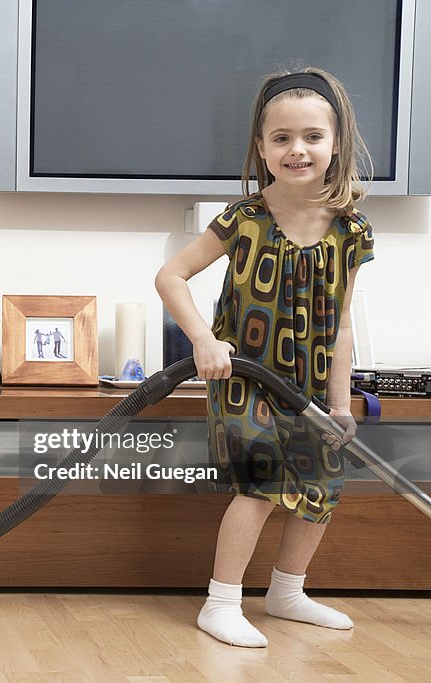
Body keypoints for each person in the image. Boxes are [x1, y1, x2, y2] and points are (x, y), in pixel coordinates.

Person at [154, 67, 375, 648]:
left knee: (322, 484)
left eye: (311, 137)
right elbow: (171, 276)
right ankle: (221, 602)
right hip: (245, 377)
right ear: (262, 147)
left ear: (335, 143)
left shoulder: (351, 231)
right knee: (261, 480)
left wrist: (339, 404)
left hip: (309, 383)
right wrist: (204, 339)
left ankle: (287, 592)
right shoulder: (243, 219)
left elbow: (343, 324)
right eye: (281, 139)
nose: (296, 149)